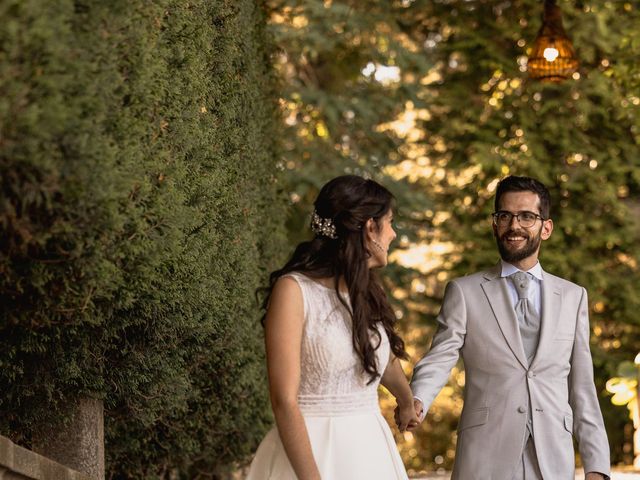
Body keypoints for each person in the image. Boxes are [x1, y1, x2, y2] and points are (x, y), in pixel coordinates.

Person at [407, 175, 610, 479]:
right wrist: (417, 398)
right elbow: (441, 356)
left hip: (552, 459)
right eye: (505, 216)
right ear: (495, 224)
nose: (514, 225)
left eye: (527, 216)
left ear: (546, 227)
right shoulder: (465, 292)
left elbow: (581, 386)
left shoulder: (573, 296)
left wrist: (597, 466)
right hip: (485, 455)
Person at [247, 175, 418, 480]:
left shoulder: (365, 291)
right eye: (390, 222)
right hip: (309, 454)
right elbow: (283, 400)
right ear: (369, 228)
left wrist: (405, 401)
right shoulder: (294, 291)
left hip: (369, 451)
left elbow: (380, 356)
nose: (393, 234)